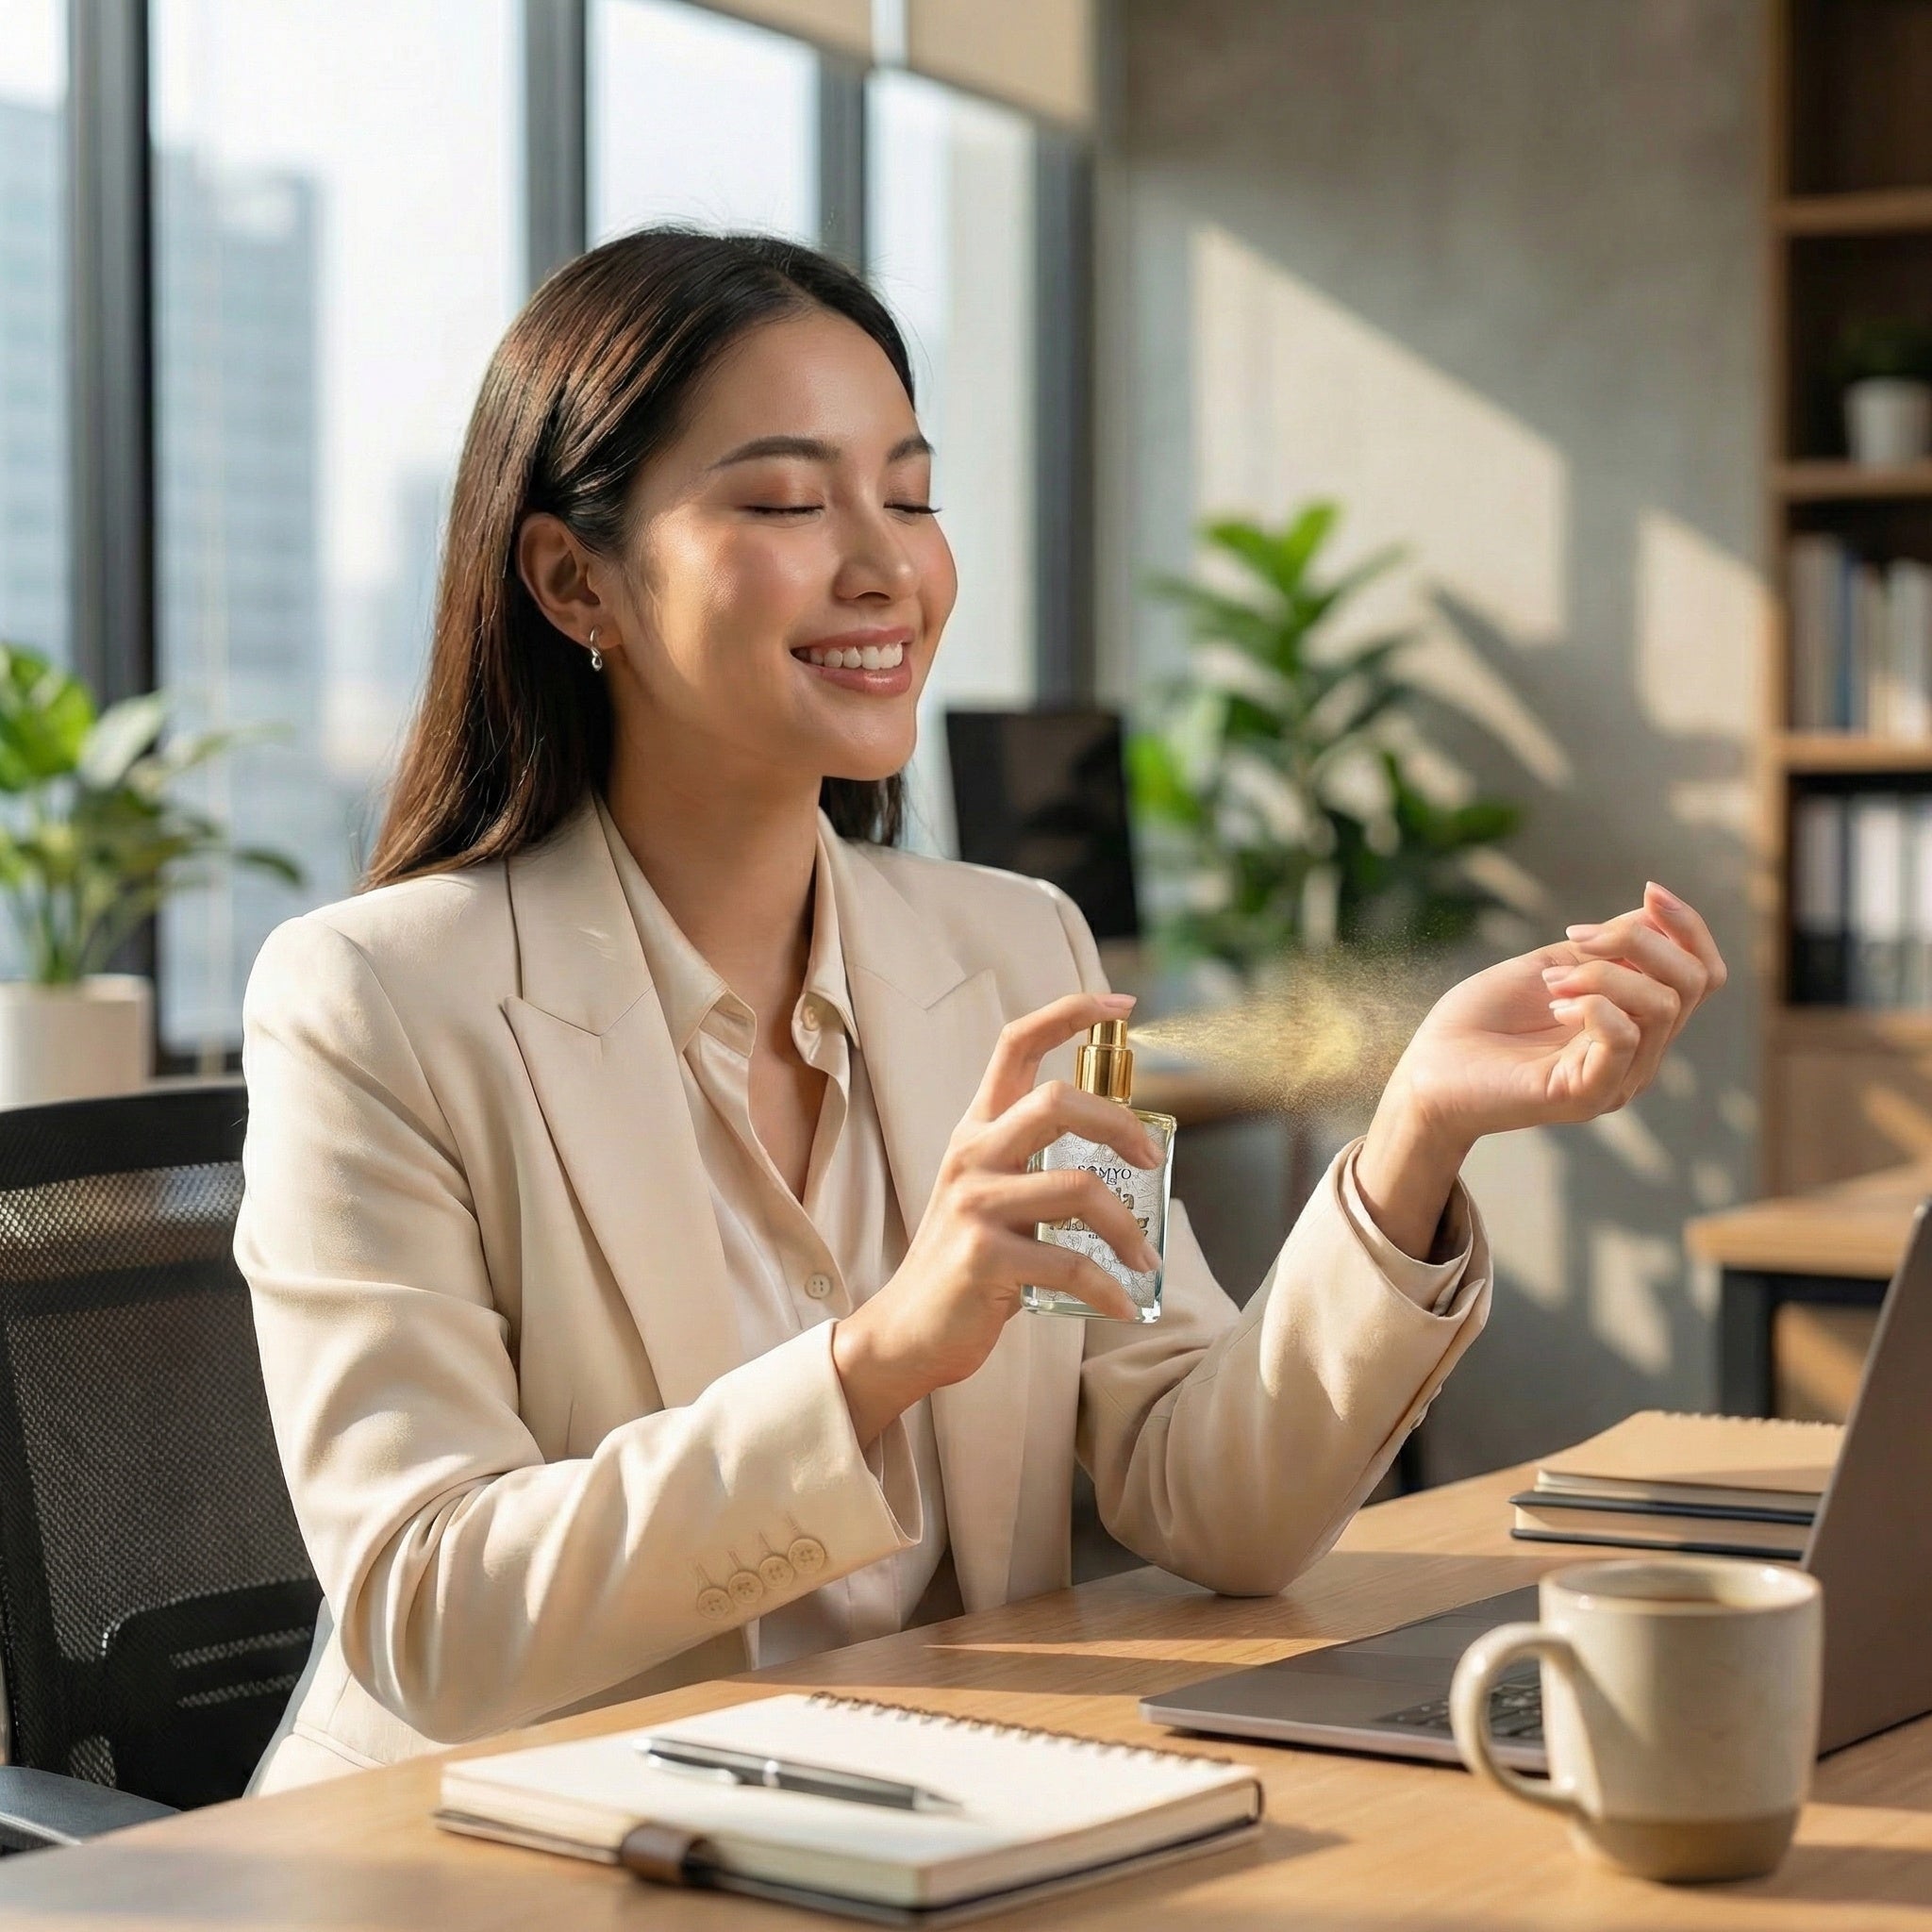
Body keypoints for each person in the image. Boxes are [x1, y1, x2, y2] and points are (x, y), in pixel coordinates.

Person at [236, 229, 1725, 1792]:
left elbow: (1206, 1495)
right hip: (501, 1846)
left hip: (934, 1811)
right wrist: (878, 1357)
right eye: (788, 501)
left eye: (912, 492)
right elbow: (432, 1614)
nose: (885, 566)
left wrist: (1414, 1138)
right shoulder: (375, 998)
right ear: (572, 577)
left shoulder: (1019, 948)